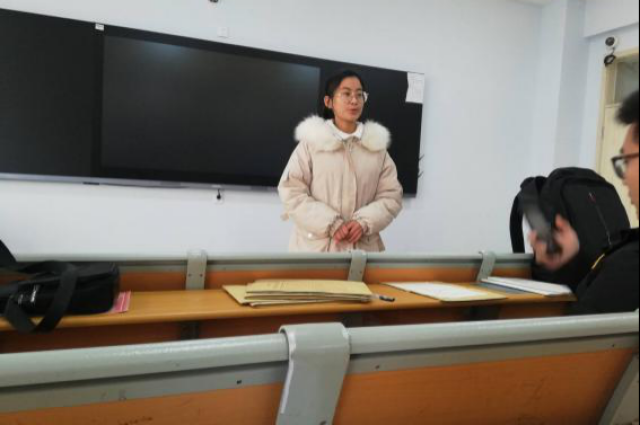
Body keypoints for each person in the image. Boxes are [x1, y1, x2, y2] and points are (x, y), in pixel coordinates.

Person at [530, 90, 639, 314]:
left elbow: (574, 332)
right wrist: (569, 262)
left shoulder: (629, 265)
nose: (624, 177)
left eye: (627, 161)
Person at [278, 70, 403, 253]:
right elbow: (291, 191)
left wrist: (363, 222)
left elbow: (391, 196)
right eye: (346, 94)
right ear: (328, 102)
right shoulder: (312, 143)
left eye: (359, 95)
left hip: (362, 253)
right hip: (315, 251)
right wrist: (331, 223)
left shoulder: (376, 148)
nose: (354, 100)